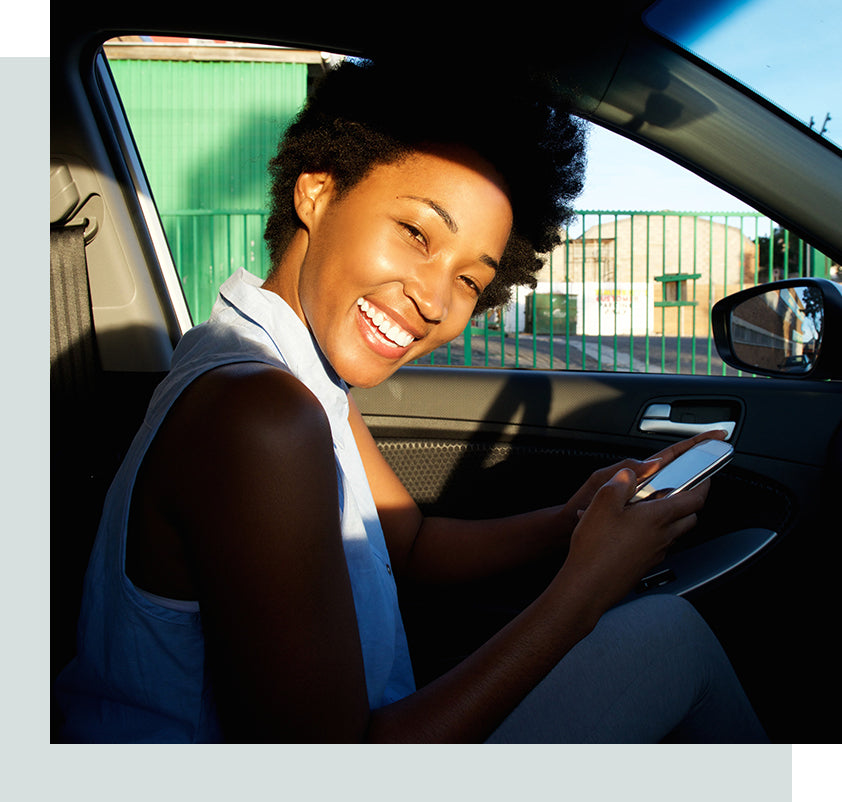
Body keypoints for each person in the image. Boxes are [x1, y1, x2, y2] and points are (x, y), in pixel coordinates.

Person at [54, 57, 767, 743]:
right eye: (417, 233)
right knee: (672, 638)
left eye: (469, 282)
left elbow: (412, 546)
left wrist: (570, 519)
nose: (433, 300)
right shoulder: (264, 418)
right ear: (317, 191)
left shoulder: (281, 366)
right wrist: (584, 589)